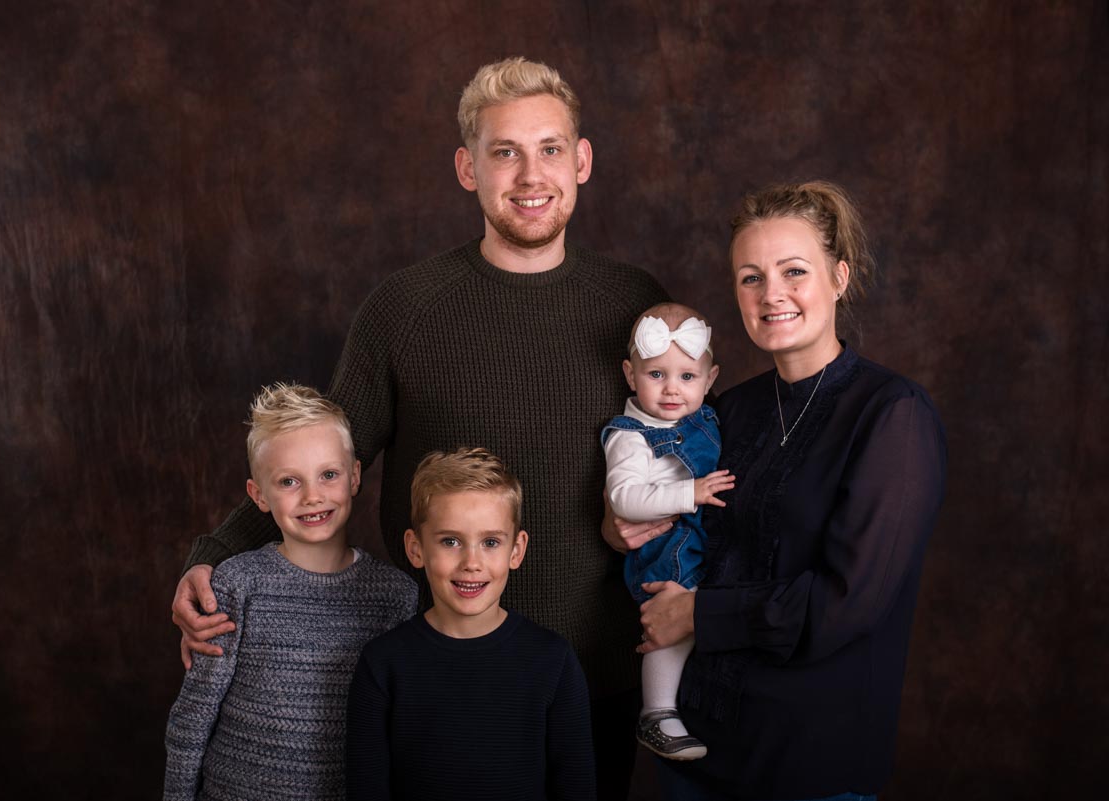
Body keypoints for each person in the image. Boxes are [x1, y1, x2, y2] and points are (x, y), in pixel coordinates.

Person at [171, 57, 669, 799]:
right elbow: (324, 462)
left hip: (592, 672)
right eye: (505, 152)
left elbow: (691, 454)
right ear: (468, 168)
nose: (531, 174)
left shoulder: (638, 307)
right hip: (432, 675)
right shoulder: (404, 310)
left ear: (583, 160)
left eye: (551, 149)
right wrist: (214, 555)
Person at [620, 182, 947, 800]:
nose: (771, 295)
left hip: (808, 761)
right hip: (696, 749)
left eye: (793, 271)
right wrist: (627, 522)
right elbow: (679, 524)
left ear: (839, 277)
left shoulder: (892, 415)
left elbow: (848, 601)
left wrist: (697, 613)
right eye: (750, 277)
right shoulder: (726, 412)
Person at [164, 383, 418, 801]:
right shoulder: (236, 585)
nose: (313, 496)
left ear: (355, 475)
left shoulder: (394, 598)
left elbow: (402, 730)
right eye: (289, 481)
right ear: (258, 495)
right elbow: (193, 718)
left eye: (329, 475)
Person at [345, 447, 595, 801]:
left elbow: (576, 787)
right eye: (451, 541)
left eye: (490, 542)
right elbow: (367, 789)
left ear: (516, 550)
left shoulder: (553, 661)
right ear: (415, 549)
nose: (471, 563)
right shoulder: (382, 664)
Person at [601, 302, 735, 761]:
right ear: (629, 374)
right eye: (656, 375)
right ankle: (656, 713)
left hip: (702, 541)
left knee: (700, 620)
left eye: (687, 377)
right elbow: (624, 499)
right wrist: (688, 493)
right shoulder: (631, 435)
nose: (672, 390)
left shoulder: (704, 421)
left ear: (710, 378)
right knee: (673, 614)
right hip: (664, 549)